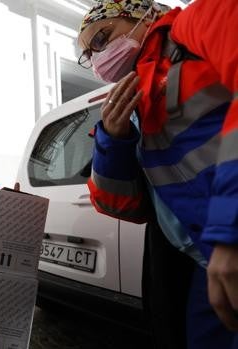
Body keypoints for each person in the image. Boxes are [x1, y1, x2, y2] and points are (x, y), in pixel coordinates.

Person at [77, 0, 238, 347]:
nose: (98, 58)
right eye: (89, 54)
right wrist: (113, 142)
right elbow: (124, 207)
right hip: (205, 260)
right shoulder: (132, 105)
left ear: (143, 14)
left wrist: (229, 230)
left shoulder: (195, 23)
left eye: (102, 39)